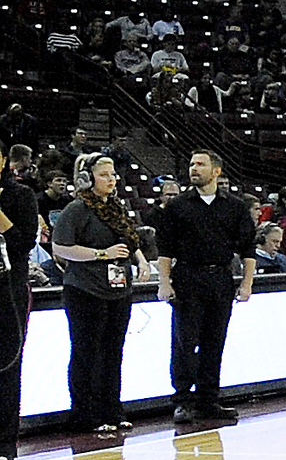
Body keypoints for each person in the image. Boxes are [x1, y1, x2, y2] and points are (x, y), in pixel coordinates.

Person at [153, 148, 256, 425]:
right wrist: (164, 282)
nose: (194, 168)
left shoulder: (234, 206)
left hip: (221, 278)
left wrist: (246, 283)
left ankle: (209, 399)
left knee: (214, 342)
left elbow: (248, 248)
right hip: (187, 277)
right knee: (184, 342)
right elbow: (165, 249)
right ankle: (183, 400)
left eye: (200, 164)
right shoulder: (177, 206)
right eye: (191, 164)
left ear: (216, 171)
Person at [49, 156, 138, 436]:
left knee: (114, 352)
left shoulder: (116, 207)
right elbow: (60, 248)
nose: (111, 179)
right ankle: (85, 413)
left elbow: (127, 240)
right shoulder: (76, 209)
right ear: (88, 179)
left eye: (113, 174)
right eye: (104, 174)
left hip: (118, 290)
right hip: (85, 290)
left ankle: (112, 408)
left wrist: (140, 259)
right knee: (87, 352)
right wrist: (102, 254)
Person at [0, 141, 40, 460]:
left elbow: (25, 241)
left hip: (8, 289)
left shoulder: (20, 195)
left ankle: (4, 444)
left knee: (7, 366)